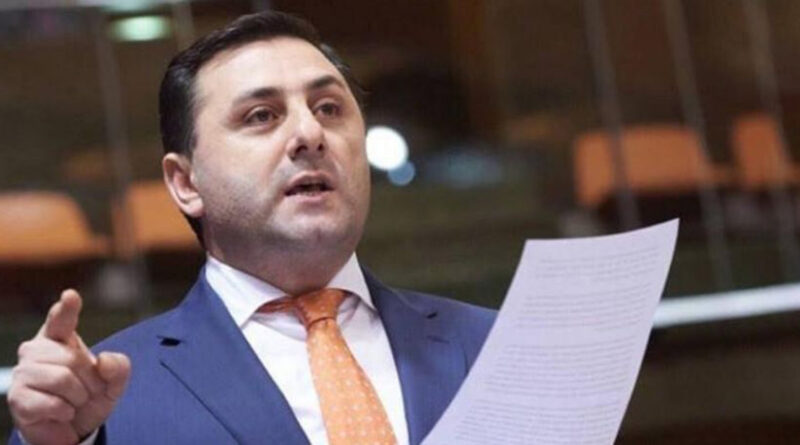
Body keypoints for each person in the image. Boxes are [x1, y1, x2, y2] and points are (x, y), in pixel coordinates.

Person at [7, 11, 495, 445]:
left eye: (328, 108)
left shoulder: (493, 345)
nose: (310, 134)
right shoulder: (105, 400)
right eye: (262, 116)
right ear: (186, 183)